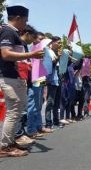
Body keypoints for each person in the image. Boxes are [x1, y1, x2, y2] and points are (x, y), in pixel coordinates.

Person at [0, 5, 44, 157]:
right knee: (13, 111)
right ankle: (5, 146)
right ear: (17, 18)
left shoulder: (13, 33)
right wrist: (31, 55)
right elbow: (5, 54)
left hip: (14, 76)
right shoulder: (7, 31)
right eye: (25, 20)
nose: (26, 23)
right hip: (8, 77)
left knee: (17, 110)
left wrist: (27, 62)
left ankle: (10, 142)